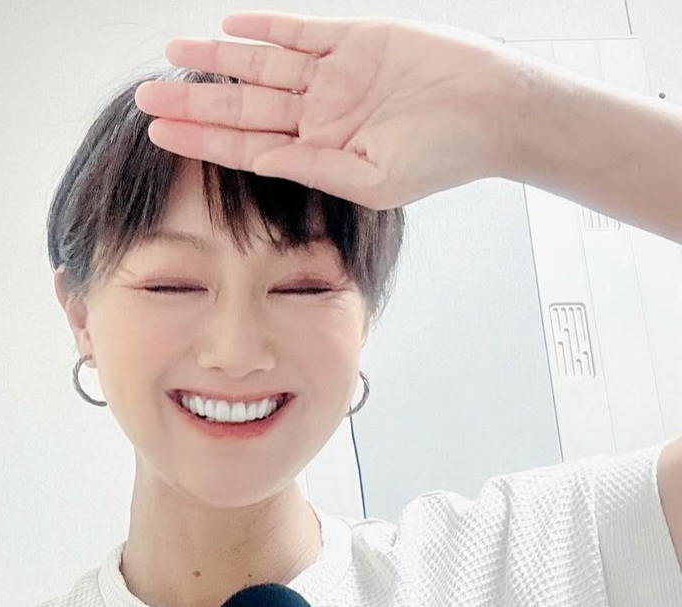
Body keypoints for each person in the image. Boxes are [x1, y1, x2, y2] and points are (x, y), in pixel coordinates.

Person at [41, 11, 682, 607]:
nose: (236, 353)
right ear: (80, 316)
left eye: (302, 288)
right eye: (173, 286)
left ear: (365, 318)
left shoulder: (519, 565)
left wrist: (510, 112)